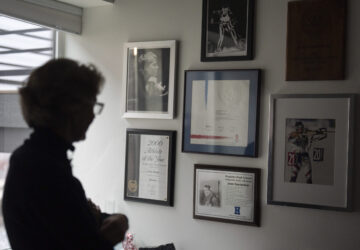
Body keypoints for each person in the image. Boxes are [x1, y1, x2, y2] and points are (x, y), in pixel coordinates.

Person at [2, 58, 128, 250]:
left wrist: (108, 219)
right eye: (91, 104)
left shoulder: (32, 160)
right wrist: (111, 234)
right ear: (70, 106)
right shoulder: (44, 169)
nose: (93, 115)